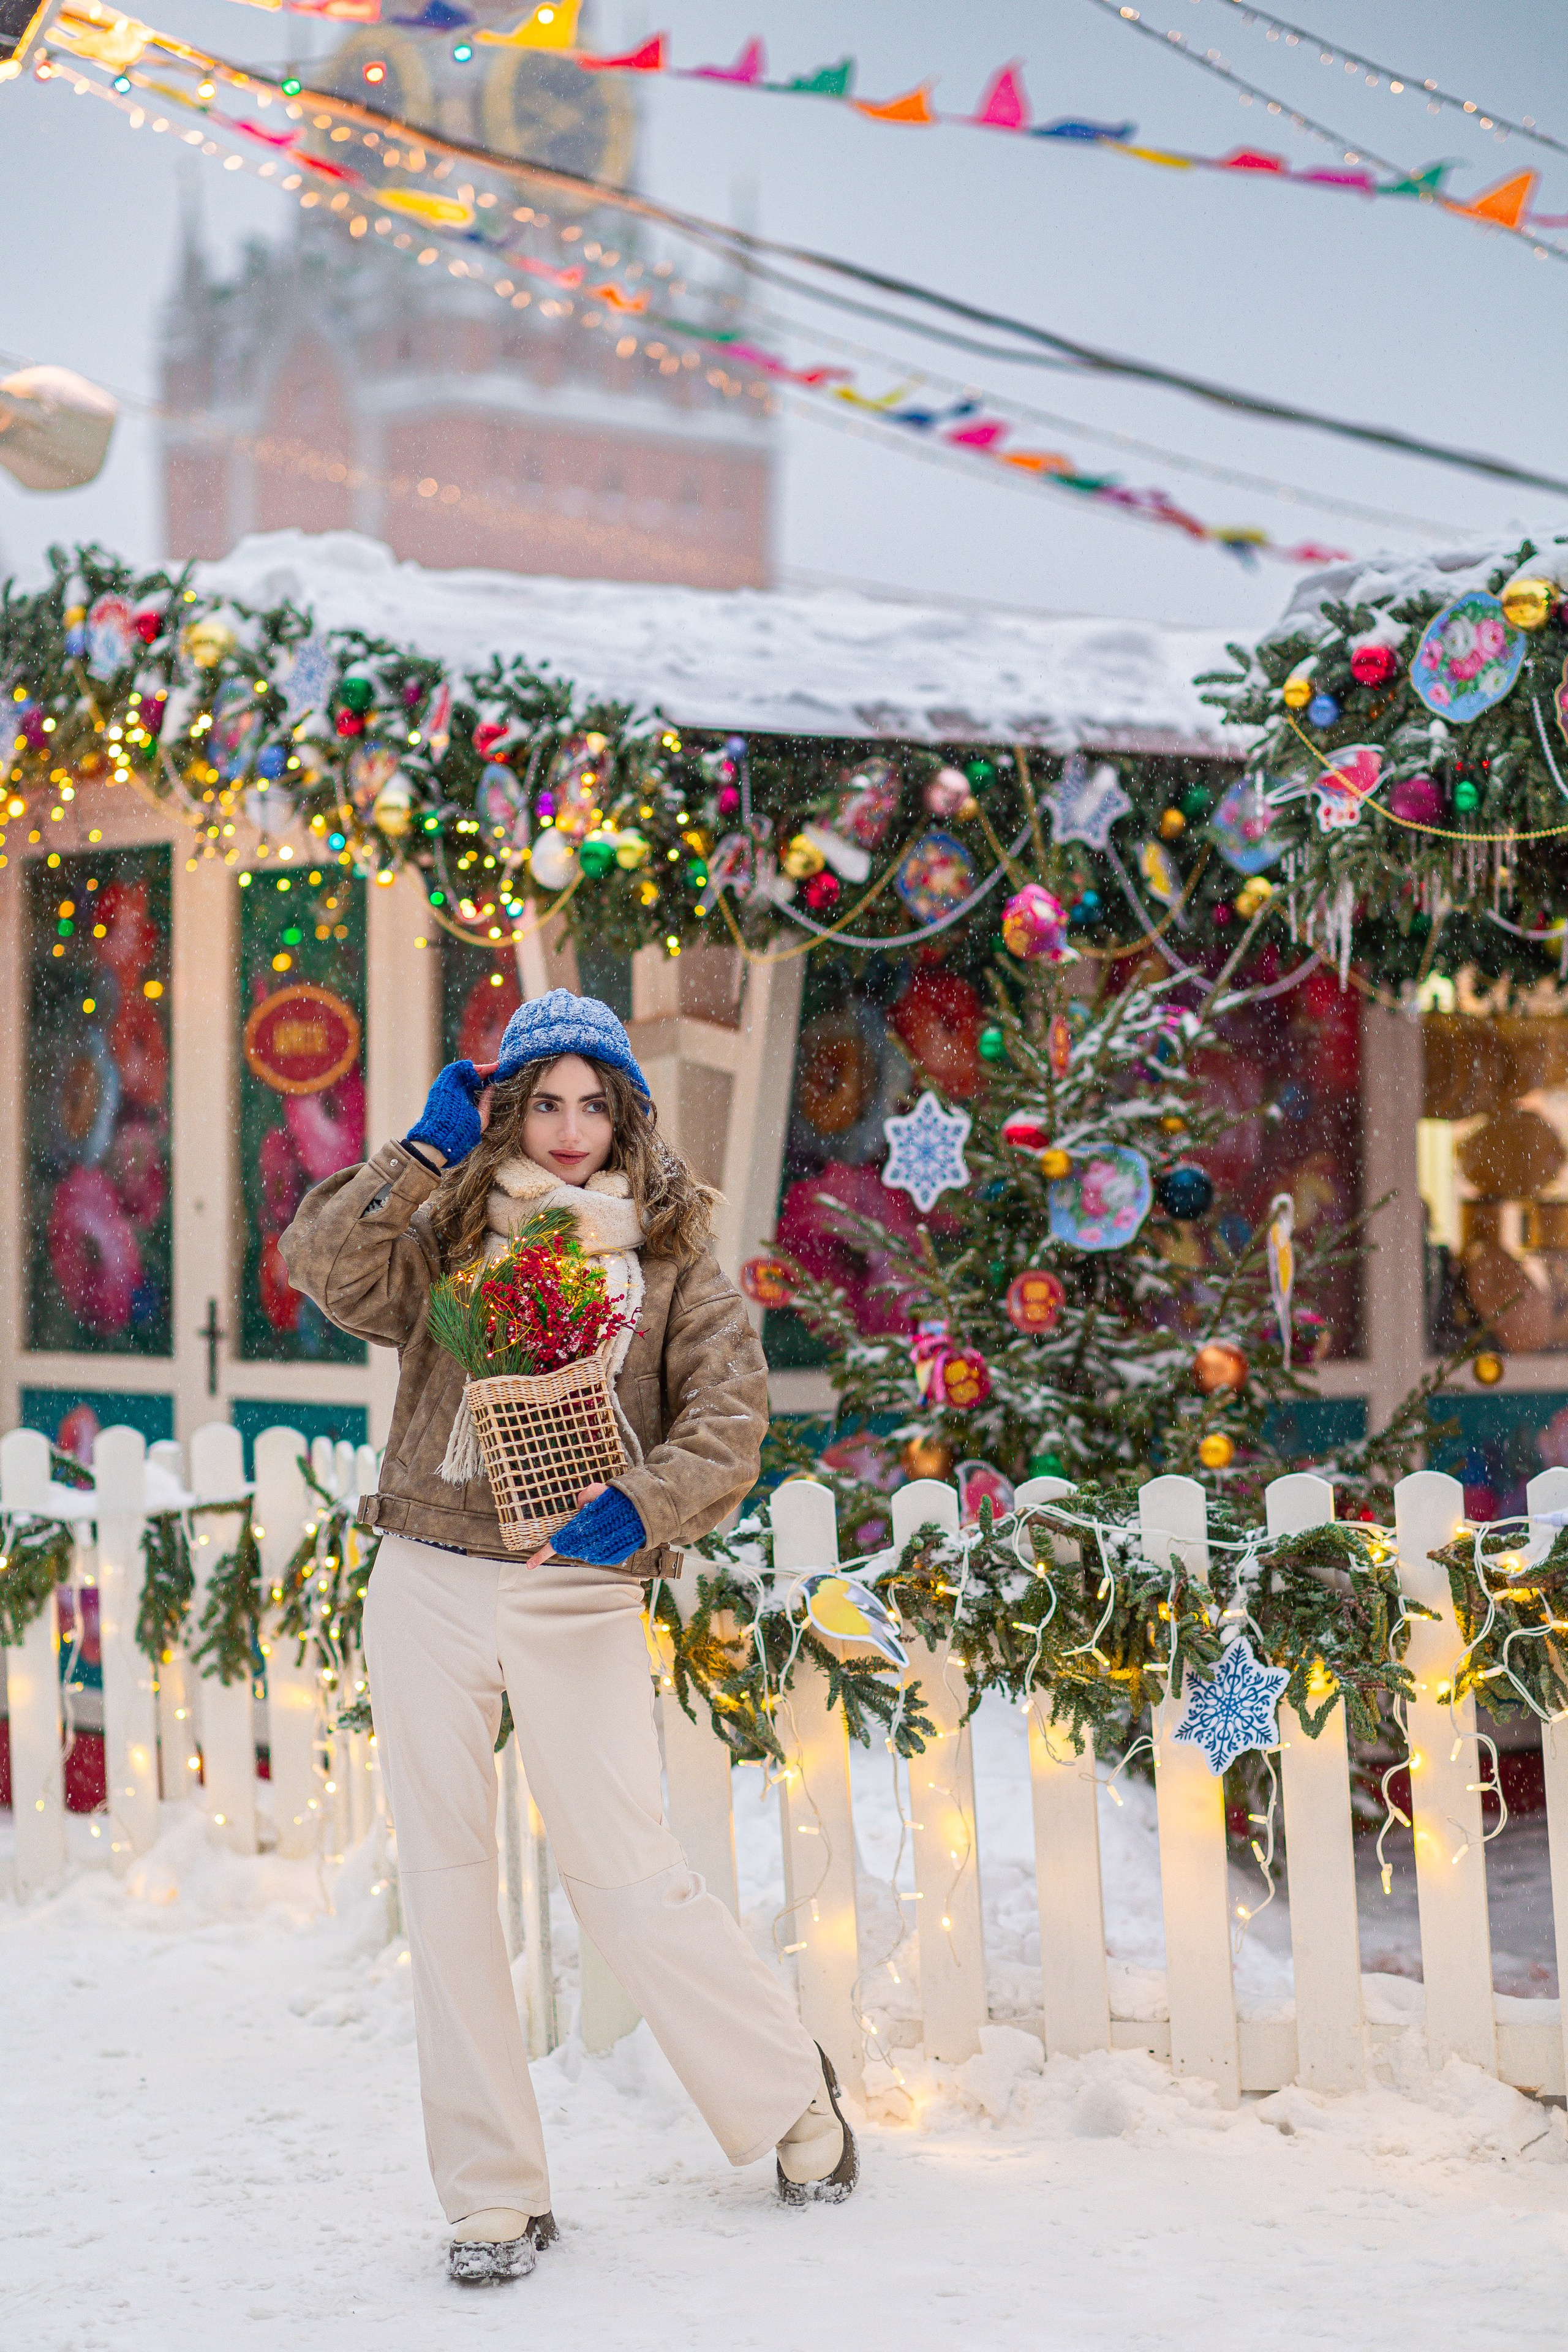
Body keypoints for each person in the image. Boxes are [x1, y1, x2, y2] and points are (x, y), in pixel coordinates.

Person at [280, 990, 858, 2285]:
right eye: (542, 1101)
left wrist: (635, 1514)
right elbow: (322, 1268)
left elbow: (726, 1423)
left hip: (575, 1587)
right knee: (442, 1881)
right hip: (427, 1570)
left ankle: (790, 2101)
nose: (568, 1128)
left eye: (592, 1103)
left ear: (625, 1117)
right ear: (506, 1113)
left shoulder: (668, 1266)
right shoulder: (443, 1242)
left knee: (623, 1875)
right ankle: (494, 2193)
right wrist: (412, 1158)